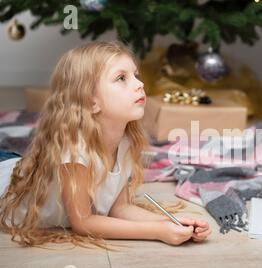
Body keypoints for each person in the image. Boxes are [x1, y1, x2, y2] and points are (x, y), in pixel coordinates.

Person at [0, 41, 211, 247]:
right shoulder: (75, 152)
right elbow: (82, 222)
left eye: (135, 75)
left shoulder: (126, 141)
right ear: (91, 101)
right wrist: (157, 233)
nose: (140, 84)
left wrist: (170, 222)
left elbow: (119, 208)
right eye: (121, 78)